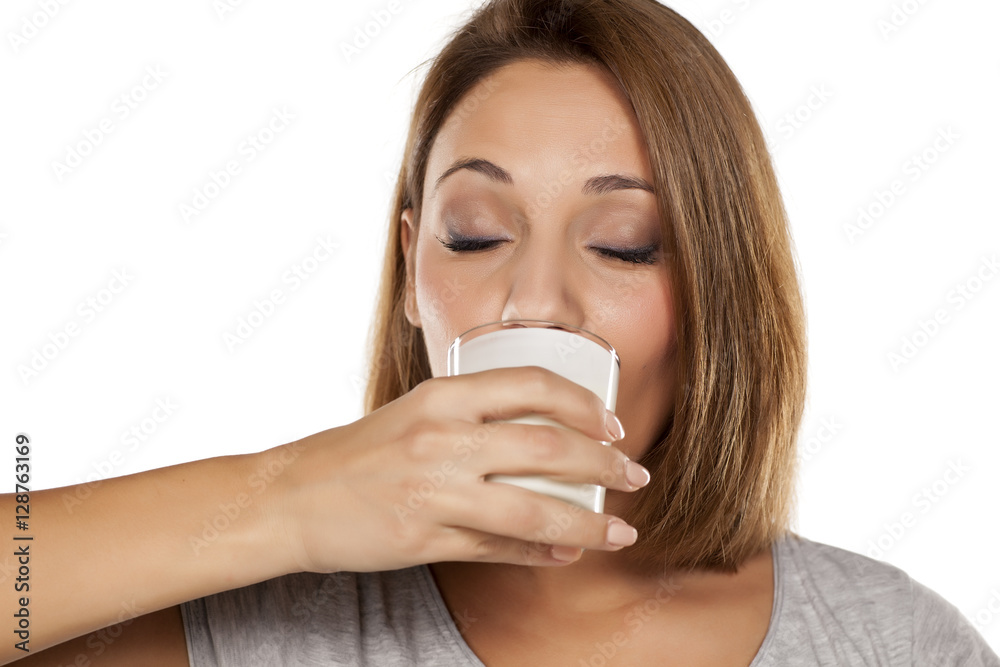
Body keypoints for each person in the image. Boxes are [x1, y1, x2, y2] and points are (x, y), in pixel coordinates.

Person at [5, 0, 998, 665]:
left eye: (623, 244)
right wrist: (286, 498)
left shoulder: (890, 640)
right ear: (408, 273)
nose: (536, 301)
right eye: (476, 233)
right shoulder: (261, 623)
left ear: (714, 296)